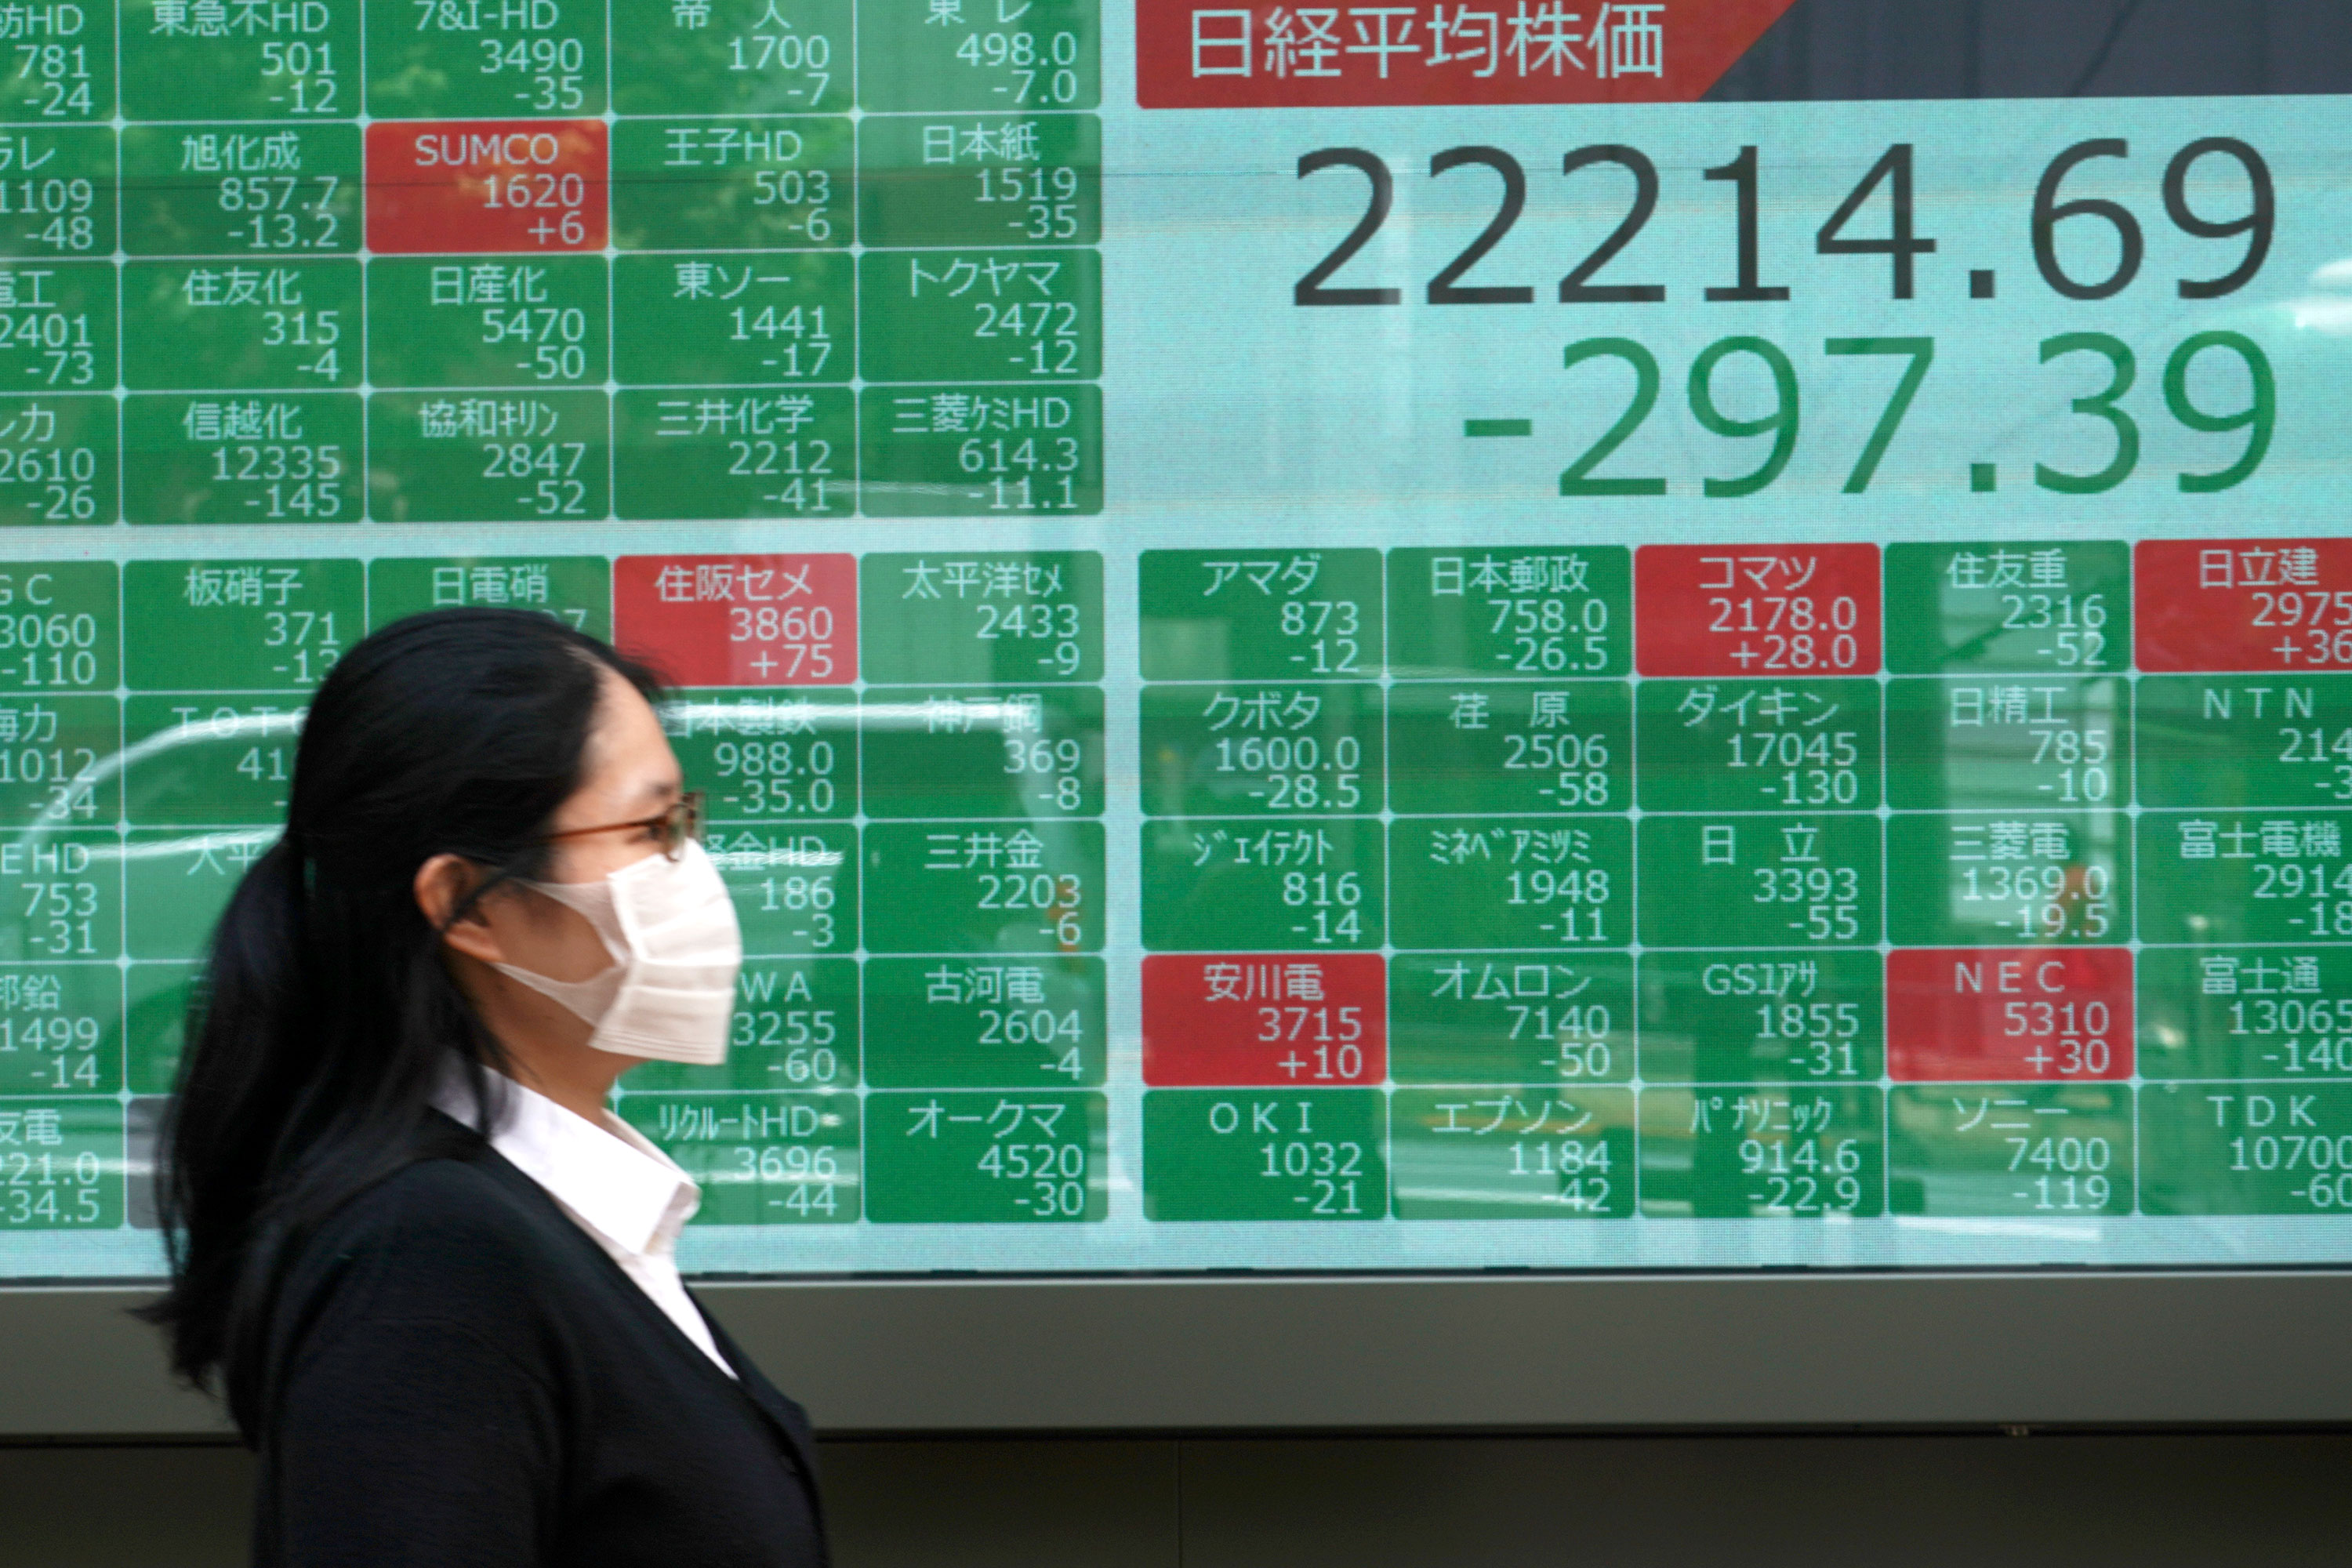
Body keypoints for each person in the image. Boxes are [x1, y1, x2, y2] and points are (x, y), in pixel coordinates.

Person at [143, 608, 828, 1567]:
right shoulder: (429, 1260)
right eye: (648, 826)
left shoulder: (533, 1219)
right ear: (471, 907)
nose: (693, 868)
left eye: (686, 818)